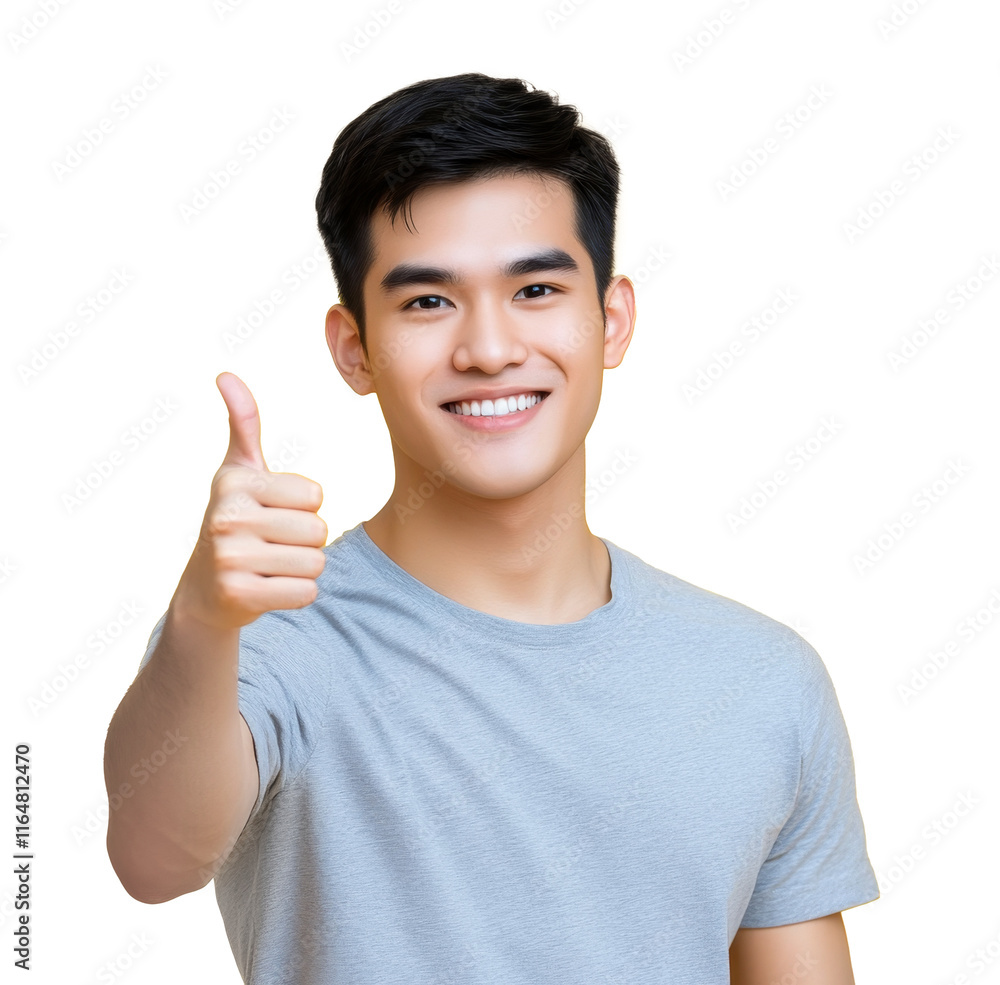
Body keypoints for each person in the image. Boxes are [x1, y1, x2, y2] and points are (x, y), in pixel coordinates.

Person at [103, 72, 879, 984]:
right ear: (355, 347)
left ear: (612, 319)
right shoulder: (262, 639)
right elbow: (153, 862)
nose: (489, 347)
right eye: (428, 301)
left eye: (537, 289)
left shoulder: (762, 680)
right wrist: (201, 619)